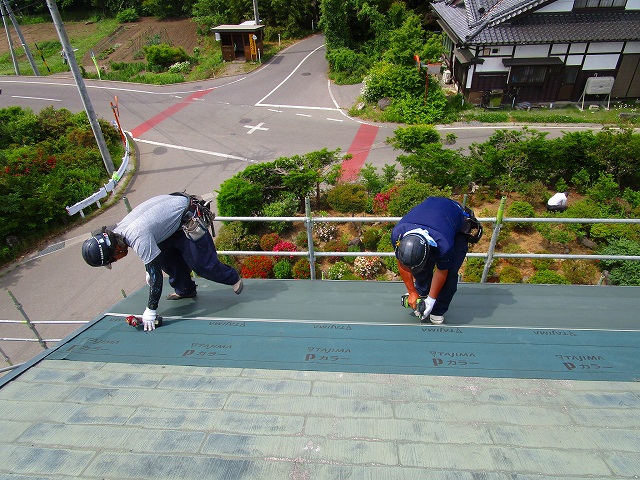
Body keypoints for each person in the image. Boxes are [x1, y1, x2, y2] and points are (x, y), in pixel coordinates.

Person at [81, 193, 242, 331]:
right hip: (169, 225)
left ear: (115, 250)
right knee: (166, 260)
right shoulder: (119, 230)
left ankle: (232, 278)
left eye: (112, 260)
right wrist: (148, 268)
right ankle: (185, 289)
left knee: (202, 265)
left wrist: (151, 310)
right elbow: (151, 250)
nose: (115, 261)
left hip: (187, 218)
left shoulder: (135, 236)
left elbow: (156, 276)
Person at [392, 197, 479, 325]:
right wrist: (412, 292)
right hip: (433, 217)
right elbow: (403, 264)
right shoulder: (397, 235)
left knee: (450, 274)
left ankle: (438, 309)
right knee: (422, 267)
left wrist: (432, 300)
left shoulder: (445, 245)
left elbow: (441, 271)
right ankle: (421, 293)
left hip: (455, 223)